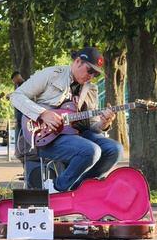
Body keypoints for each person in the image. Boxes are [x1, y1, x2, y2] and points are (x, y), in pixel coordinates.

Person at [10, 47, 123, 193]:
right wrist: (43, 113)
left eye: (95, 73)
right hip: (46, 137)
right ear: (77, 62)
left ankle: (79, 189)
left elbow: (93, 125)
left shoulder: (91, 89)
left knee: (114, 150)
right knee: (90, 151)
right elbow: (16, 96)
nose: (91, 76)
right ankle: (57, 188)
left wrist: (104, 123)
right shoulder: (52, 74)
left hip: (77, 135)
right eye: (90, 70)